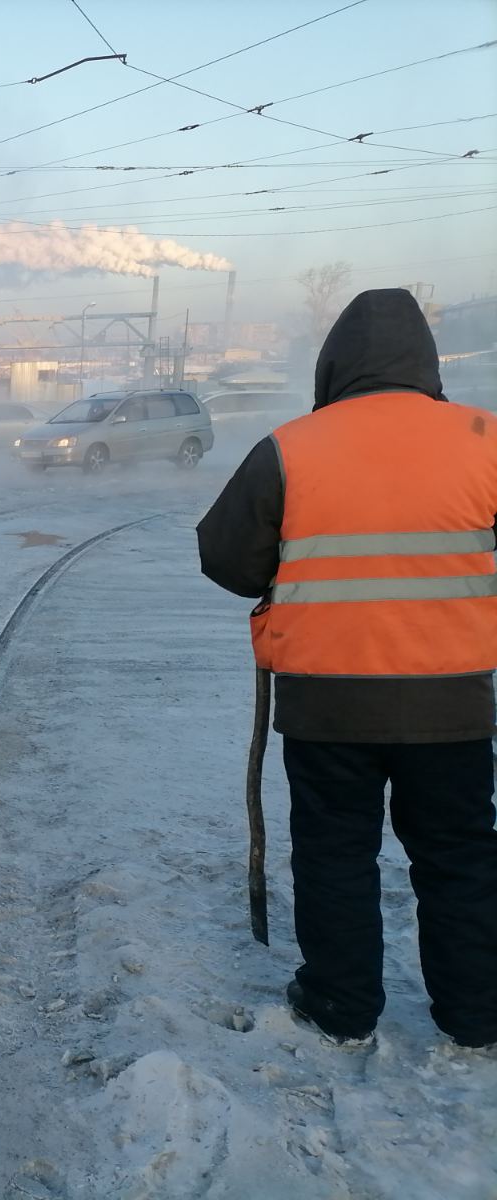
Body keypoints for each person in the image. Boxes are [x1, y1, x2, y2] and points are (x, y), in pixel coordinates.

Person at [197, 288, 497, 1050]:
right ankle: (476, 1013)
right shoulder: (485, 440)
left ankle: (340, 1005)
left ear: (335, 365)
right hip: (453, 705)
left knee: (335, 853)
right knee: (460, 855)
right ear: (427, 361)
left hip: (327, 706)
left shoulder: (292, 447)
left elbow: (227, 559)